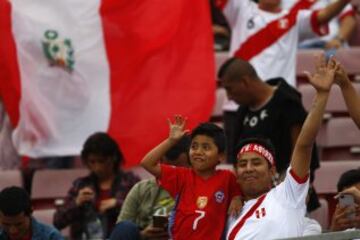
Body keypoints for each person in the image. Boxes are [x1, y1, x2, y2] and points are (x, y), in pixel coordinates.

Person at [226, 54, 339, 239]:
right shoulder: (227, 211)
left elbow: (304, 145)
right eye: (243, 164)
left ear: (272, 171)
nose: (248, 169)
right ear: (236, 174)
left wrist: (322, 95)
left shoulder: (287, 195)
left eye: (256, 162)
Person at [219, 57, 320, 211]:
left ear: (245, 82)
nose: (229, 97)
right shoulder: (241, 112)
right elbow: (236, 160)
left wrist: (291, 188)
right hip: (253, 201)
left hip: (288, 196)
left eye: (229, 89)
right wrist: (236, 195)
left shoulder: (287, 102)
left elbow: (303, 149)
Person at [141, 117, 242, 240]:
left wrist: (237, 198)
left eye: (206, 147)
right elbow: (147, 163)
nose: (198, 152)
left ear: (220, 156)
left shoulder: (227, 177)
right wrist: (171, 140)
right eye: (194, 146)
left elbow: (238, 193)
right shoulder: (181, 175)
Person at [53, 132, 140, 239]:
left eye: (101, 161)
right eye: (92, 162)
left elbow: (144, 214)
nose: (97, 167)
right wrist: (77, 203)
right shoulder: (81, 184)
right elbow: (57, 221)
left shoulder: (130, 181)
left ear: (113, 158)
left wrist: (119, 205)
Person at [110, 136, 191, 240]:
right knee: (125, 227)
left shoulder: (199, 191)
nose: (173, 175)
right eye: (168, 169)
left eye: (179, 170)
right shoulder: (141, 189)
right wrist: (142, 235)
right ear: (160, 162)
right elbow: (121, 230)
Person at [282, 0, 356, 49]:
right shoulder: (276, 3)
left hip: (329, 45)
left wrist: (339, 40)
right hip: (297, 48)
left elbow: (349, 18)